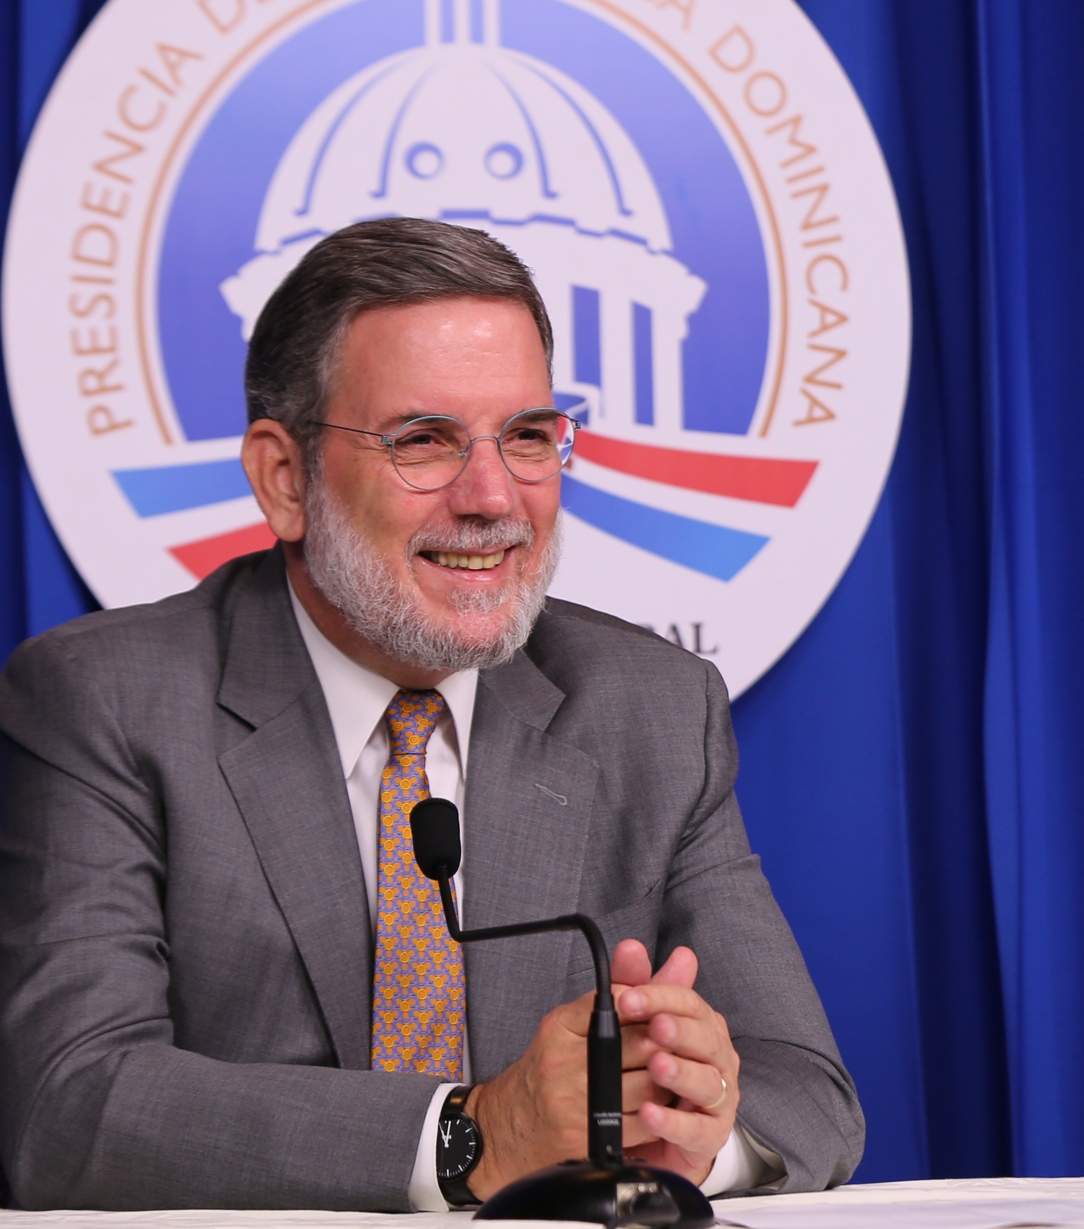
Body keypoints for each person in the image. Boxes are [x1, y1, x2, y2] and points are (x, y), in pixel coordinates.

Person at [0, 218, 863, 1209]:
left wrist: (683, 1134)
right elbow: (66, 1103)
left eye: (527, 436)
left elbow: (808, 1093)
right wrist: (470, 1133)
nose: (493, 497)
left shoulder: (651, 708)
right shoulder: (106, 700)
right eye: (423, 441)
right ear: (284, 478)